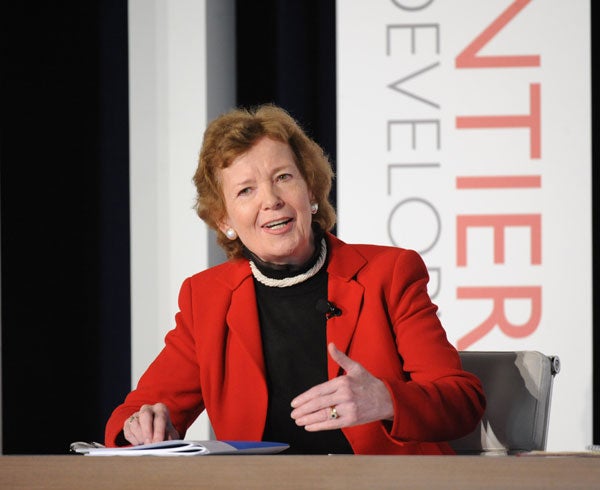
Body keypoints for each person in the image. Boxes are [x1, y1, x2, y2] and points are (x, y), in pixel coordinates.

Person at [105, 104, 485, 454]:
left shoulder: (388, 275)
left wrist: (385, 399)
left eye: (283, 177)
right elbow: (136, 413)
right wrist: (143, 427)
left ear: (311, 191)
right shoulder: (206, 298)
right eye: (246, 190)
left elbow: (461, 401)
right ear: (225, 220)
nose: (271, 200)